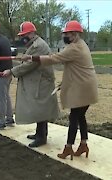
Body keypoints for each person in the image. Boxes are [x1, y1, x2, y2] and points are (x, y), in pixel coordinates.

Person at [20, 20, 98, 159]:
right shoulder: (81, 44)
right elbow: (75, 68)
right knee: (80, 116)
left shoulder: (74, 48)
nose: (65, 36)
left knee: (74, 117)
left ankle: (68, 148)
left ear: (74, 34)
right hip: (86, 85)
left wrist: (31, 57)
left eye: (67, 34)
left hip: (82, 87)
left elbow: (53, 58)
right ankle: (83, 144)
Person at [3, 22, 59, 147]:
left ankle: (42, 137)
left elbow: (30, 65)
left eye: (24, 34)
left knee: (41, 109)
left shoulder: (39, 46)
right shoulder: (34, 44)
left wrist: (12, 71)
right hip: (39, 81)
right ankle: (39, 133)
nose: (22, 38)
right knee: (38, 109)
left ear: (31, 33)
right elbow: (28, 60)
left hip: (42, 82)